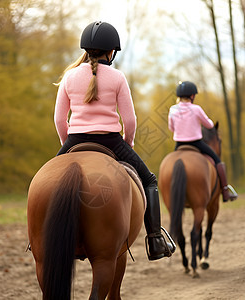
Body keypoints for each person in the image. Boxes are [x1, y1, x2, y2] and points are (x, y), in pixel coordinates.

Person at [54, 21, 175, 260]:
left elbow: (59, 119)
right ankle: (155, 240)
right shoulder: (118, 78)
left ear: (86, 49)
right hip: (111, 142)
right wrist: (127, 143)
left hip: (75, 140)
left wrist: (66, 144)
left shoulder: (69, 78)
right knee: (149, 180)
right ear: (111, 52)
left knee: (45, 179)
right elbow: (129, 121)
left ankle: (38, 237)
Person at [168, 81, 238, 202]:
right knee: (217, 160)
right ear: (192, 96)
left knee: (171, 165)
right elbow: (209, 125)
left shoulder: (172, 109)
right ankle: (226, 191)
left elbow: (171, 128)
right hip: (196, 143)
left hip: (179, 144)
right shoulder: (196, 109)